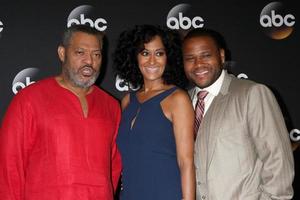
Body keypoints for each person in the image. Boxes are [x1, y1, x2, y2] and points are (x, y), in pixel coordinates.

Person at [0, 25, 122, 200]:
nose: (89, 62)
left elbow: (114, 167)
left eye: (96, 54)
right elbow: (9, 165)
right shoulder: (30, 99)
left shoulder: (111, 106)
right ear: (62, 53)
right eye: (80, 53)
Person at [183, 28, 294, 200]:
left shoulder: (252, 94)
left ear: (221, 56)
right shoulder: (182, 102)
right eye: (190, 58)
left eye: (206, 55)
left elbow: (277, 160)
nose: (198, 64)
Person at [114, 24, 195, 200]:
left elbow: (186, 162)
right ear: (134, 57)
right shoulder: (127, 101)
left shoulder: (177, 99)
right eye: (145, 53)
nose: (152, 60)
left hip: (165, 193)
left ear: (169, 58)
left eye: (159, 53)